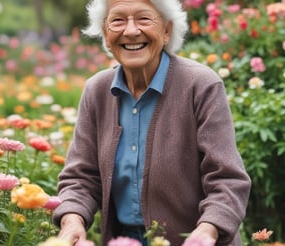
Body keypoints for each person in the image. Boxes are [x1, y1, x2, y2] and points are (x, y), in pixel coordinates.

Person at [52, 0, 251, 245]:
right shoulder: (96, 90)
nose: (131, 30)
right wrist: (71, 220)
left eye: (144, 19)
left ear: (166, 31)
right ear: (105, 34)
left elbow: (227, 179)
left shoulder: (201, 85)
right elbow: (80, 177)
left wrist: (208, 230)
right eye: (118, 20)